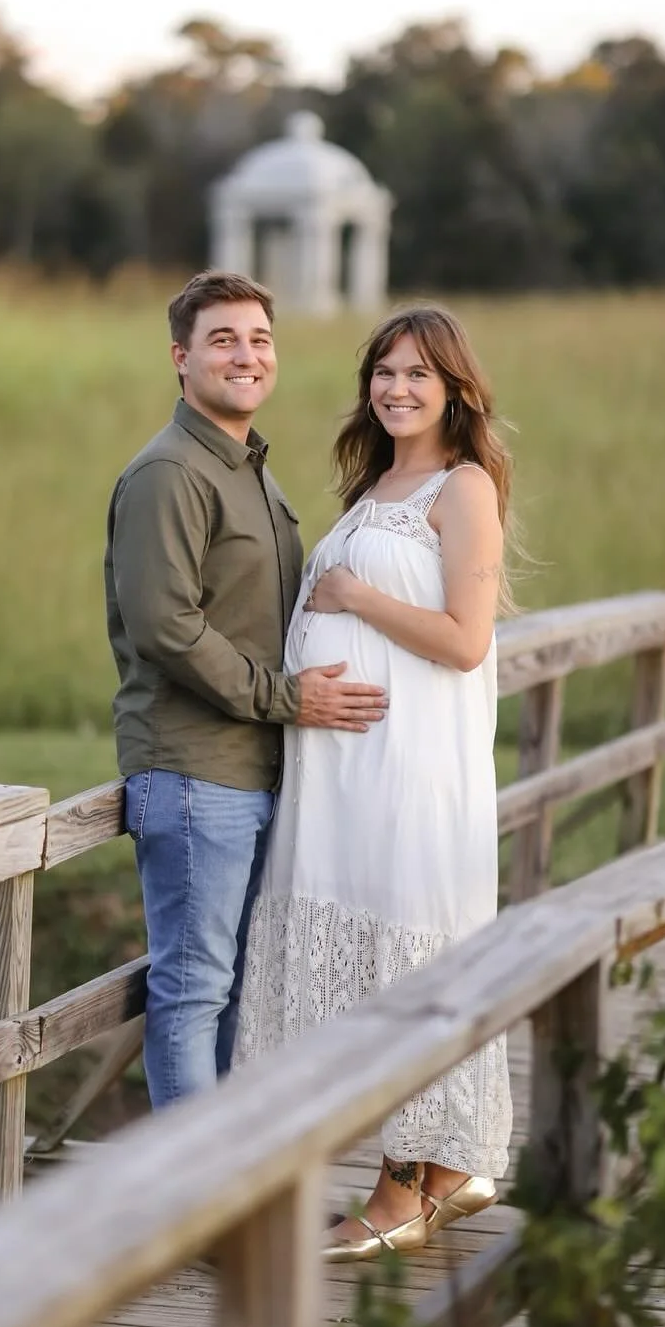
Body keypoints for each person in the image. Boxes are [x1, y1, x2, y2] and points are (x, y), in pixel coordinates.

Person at [234, 304, 515, 1261]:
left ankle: (405, 1190)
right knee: (371, 945)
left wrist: (355, 598)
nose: (396, 389)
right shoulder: (377, 483)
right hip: (344, 773)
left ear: (454, 391)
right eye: (383, 373)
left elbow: (465, 640)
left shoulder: (462, 485)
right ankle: (443, 1172)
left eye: (417, 375)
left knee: (411, 950)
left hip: (408, 774)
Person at [104, 270, 388, 1111]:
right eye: (223, 338)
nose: (247, 354)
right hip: (196, 775)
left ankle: (220, 1193)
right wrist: (287, 698)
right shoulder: (168, 473)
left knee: (232, 994)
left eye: (260, 339)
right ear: (180, 357)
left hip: (253, 772)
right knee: (193, 995)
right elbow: (167, 627)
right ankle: (192, 1206)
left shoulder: (251, 472)